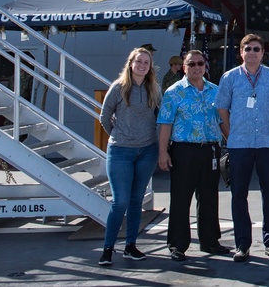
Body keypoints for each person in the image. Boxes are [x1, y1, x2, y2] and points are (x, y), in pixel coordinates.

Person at [215, 34, 269, 262]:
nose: (252, 53)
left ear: (263, 53)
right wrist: (230, 134)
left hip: (266, 143)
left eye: (256, 49)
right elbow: (222, 109)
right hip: (240, 145)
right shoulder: (230, 78)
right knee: (238, 195)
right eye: (248, 49)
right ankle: (242, 244)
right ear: (241, 52)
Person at [157, 49, 229, 262]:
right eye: (192, 64)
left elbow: (223, 120)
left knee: (208, 197)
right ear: (184, 67)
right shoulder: (173, 92)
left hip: (210, 150)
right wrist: (162, 152)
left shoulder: (216, 91)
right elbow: (165, 124)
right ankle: (177, 245)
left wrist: (233, 144)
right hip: (184, 150)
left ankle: (210, 241)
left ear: (205, 66)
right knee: (181, 198)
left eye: (200, 63)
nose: (197, 67)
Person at [98, 47, 161, 267]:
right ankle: (107, 248)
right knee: (120, 201)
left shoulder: (154, 88)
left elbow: (160, 116)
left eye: (147, 62)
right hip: (121, 151)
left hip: (147, 151)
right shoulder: (118, 88)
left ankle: (130, 246)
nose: (143, 65)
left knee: (136, 200)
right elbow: (105, 117)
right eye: (139, 61)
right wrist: (118, 135)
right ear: (131, 63)